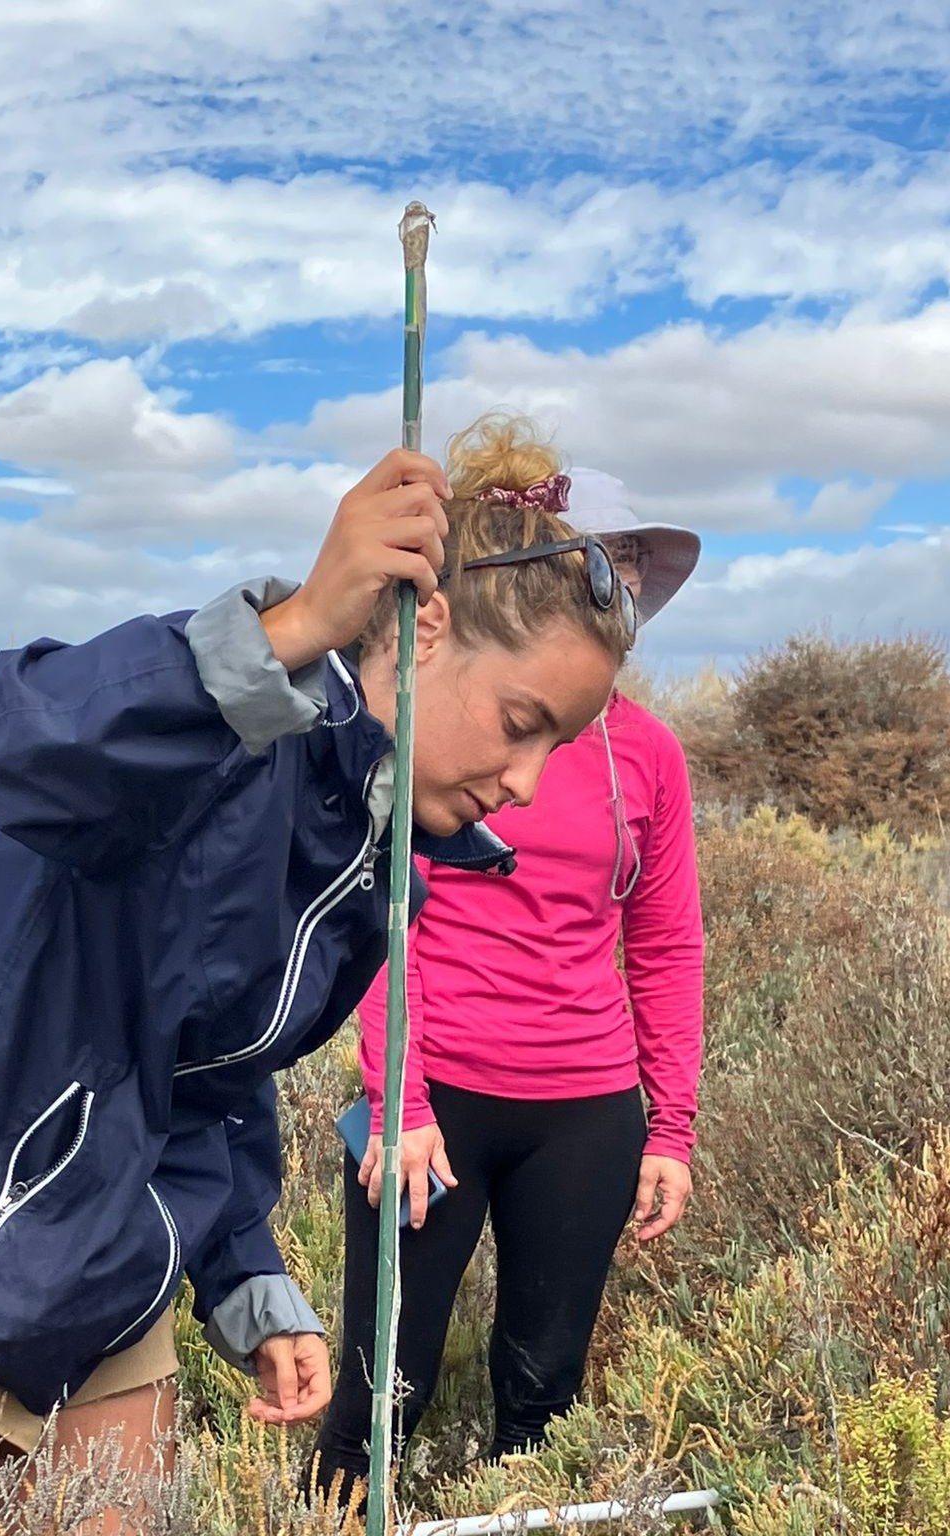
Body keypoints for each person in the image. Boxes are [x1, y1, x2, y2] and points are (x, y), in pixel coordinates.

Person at [0, 424, 632, 1535]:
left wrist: (244, 1279)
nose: (525, 783)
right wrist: (293, 630)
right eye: (522, 725)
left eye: (556, 750)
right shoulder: (225, 721)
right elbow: (19, 745)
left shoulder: (369, 854)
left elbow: (205, 1070)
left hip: (105, 1263)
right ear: (426, 631)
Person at [311, 437, 706, 1511]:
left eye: (628, 568)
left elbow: (665, 945)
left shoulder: (649, 757)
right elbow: (387, 915)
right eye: (601, 557)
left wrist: (670, 1126)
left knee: (544, 1396)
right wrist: (401, 1097)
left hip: (584, 1112)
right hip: (433, 1107)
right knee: (380, 1390)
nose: (617, 583)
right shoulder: (444, 720)